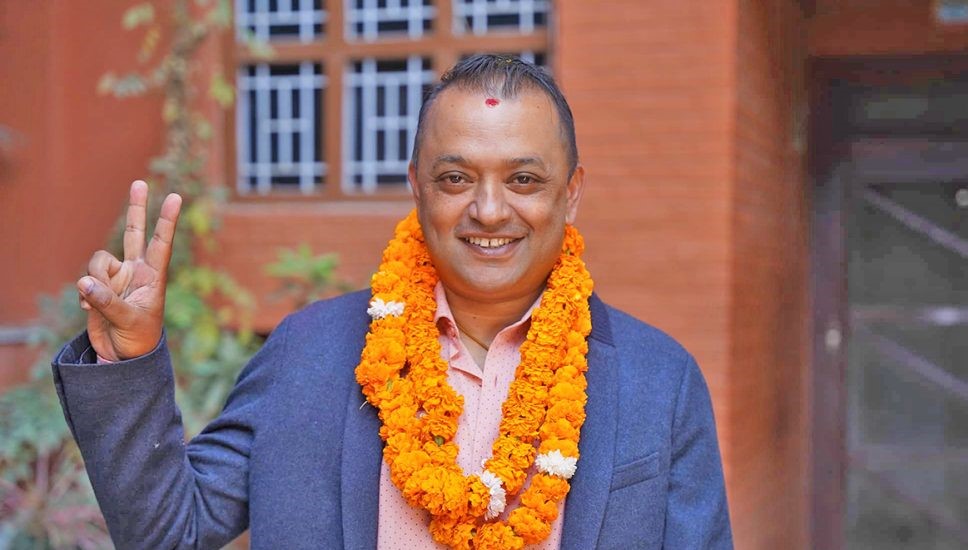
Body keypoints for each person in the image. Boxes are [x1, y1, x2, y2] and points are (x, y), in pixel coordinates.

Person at [53, 55, 732, 549]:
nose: (489, 210)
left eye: (524, 179)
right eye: (455, 178)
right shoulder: (307, 355)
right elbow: (169, 532)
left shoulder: (657, 380)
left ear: (571, 193)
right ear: (417, 186)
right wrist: (129, 361)